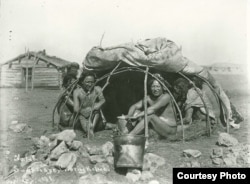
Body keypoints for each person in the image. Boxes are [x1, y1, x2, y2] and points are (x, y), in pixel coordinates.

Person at [73, 72, 106, 137]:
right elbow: (76, 109)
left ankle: (91, 128)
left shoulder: (97, 89)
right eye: (87, 82)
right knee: (82, 118)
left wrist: (93, 108)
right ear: (82, 82)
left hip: (94, 114)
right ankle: (88, 130)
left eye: (92, 82)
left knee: (96, 111)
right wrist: (84, 112)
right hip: (82, 115)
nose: (90, 84)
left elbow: (102, 100)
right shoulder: (77, 92)